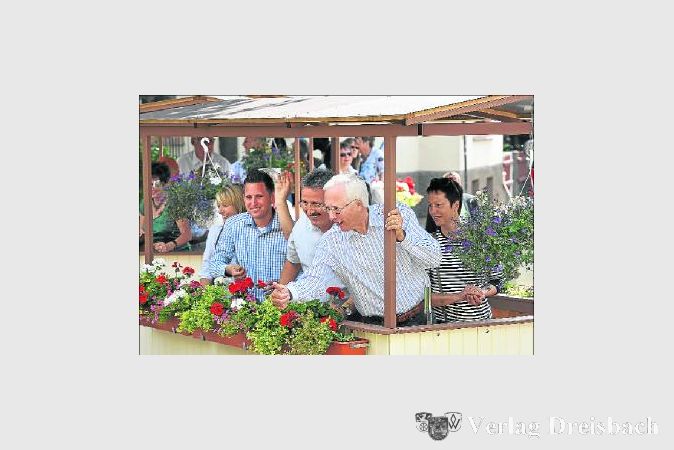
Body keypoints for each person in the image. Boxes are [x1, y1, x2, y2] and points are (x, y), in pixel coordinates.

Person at [271, 173, 441, 326]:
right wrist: (290, 293)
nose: (331, 216)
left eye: (336, 209)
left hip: (418, 321)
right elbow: (315, 281)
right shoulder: (332, 241)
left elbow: (434, 258)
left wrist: (402, 237)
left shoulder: (395, 214)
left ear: (358, 204)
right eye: (328, 208)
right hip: (373, 326)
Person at [203, 169, 289, 300]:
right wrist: (228, 269)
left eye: (259, 196)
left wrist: (285, 287)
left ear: (272, 197)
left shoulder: (287, 227)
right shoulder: (233, 224)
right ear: (243, 198)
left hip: (281, 306)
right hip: (246, 307)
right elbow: (214, 263)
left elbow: (302, 269)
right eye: (249, 197)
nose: (253, 203)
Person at [425, 177, 502, 322]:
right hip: (445, 329)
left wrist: (482, 292)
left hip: (483, 325)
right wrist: (459, 296)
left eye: (438, 205)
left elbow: (497, 281)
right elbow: (423, 297)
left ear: (455, 205)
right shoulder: (428, 244)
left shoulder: (481, 239)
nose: (433, 211)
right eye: (430, 205)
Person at [278, 169, 346, 301]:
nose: (309, 211)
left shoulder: (350, 227)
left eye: (316, 204)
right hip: (312, 306)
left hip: (350, 309)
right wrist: (280, 294)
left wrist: (346, 308)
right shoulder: (301, 226)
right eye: (304, 203)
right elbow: (293, 262)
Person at [139, 162, 192, 253]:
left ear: (165, 184)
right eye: (149, 184)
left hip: (178, 254)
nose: (152, 188)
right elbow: (143, 232)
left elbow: (187, 235)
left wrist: (168, 246)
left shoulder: (175, 203)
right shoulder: (145, 203)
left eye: (156, 184)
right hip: (155, 253)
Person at [198, 184, 245, 282]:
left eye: (225, 205)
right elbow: (206, 271)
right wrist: (206, 291)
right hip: (221, 288)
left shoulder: (252, 230)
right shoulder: (215, 231)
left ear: (239, 204)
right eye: (219, 206)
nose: (220, 211)